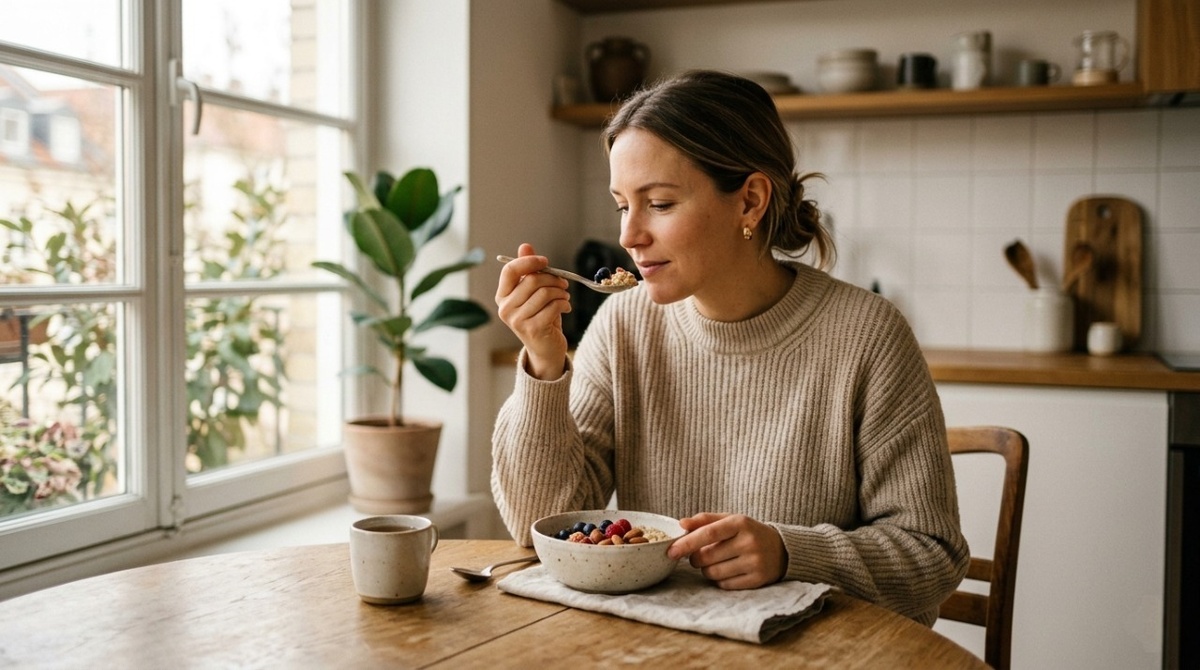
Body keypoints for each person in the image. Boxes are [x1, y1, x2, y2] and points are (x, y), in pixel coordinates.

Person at [492, 70, 968, 625]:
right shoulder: (622, 324)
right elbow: (541, 525)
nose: (628, 235)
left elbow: (932, 556)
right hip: (659, 648)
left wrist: (791, 552)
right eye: (623, 205)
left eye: (661, 204)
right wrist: (545, 364)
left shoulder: (868, 336)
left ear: (750, 201)